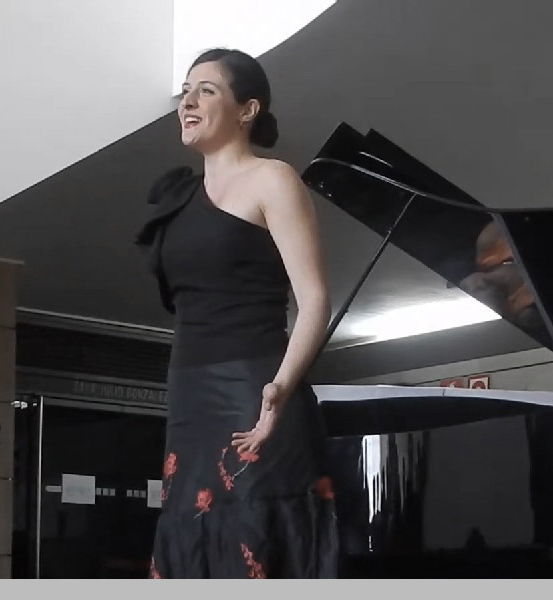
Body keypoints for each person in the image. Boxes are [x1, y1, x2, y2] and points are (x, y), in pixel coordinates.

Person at [135, 48, 338, 579]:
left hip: (254, 386)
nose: (188, 101)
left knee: (252, 529)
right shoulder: (182, 196)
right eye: (185, 91)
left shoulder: (273, 179)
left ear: (247, 110)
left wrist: (281, 389)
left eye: (206, 91)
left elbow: (315, 300)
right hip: (189, 391)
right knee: (190, 527)